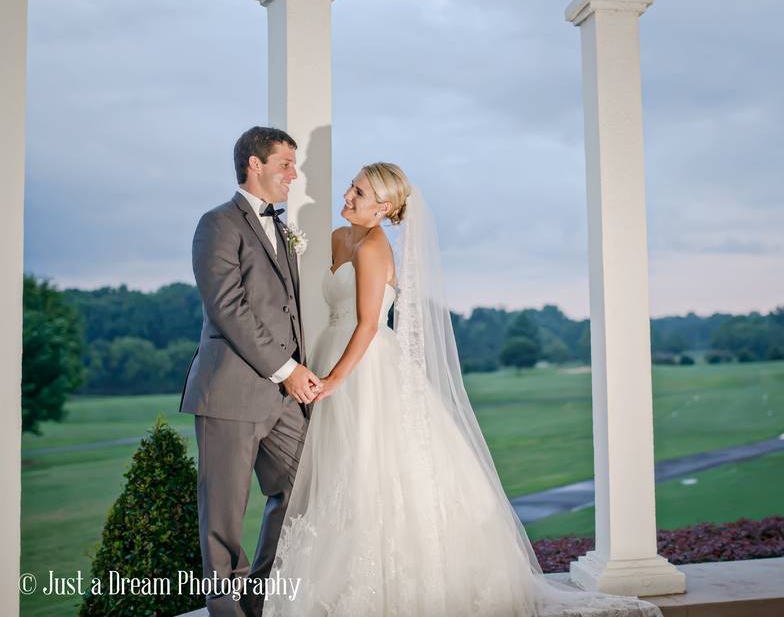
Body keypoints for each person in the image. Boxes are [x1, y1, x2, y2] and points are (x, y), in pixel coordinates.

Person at [263, 162, 661, 616]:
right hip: (330, 352)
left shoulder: (375, 247)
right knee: (337, 472)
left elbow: (370, 325)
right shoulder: (339, 237)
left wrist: (336, 378)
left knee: (371, 470)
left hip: (364, 370)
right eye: (352, 187)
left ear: (384, 207)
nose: (348, 196)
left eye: (359, 193)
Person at [180, 126, 323, 617]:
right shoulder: (216, 224)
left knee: (306, 483)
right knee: (222, 515)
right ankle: (226, 612)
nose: (293, 173)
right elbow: (228, 307)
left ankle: (260, 599)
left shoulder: (283, 229)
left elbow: (287, 309)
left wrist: (299, 371)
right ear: (254, 164)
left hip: (283, 397)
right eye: (285, 163)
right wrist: (286, 369)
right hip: (229, 393)